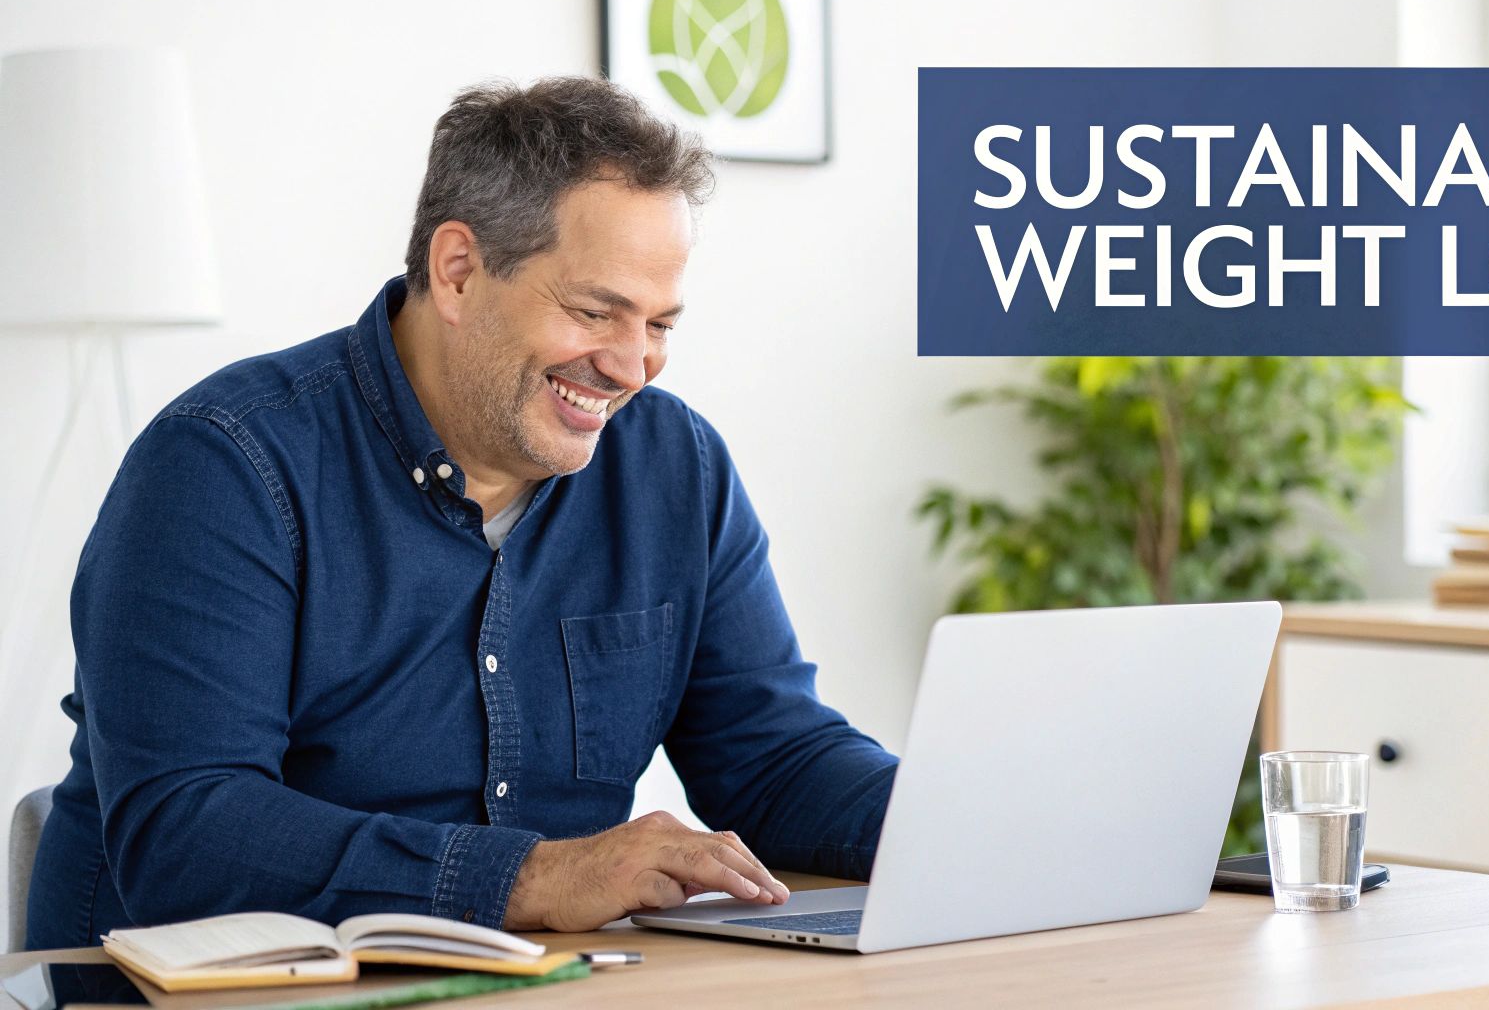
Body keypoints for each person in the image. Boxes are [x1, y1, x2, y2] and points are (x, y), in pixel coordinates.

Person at [26, 76, 897, 949]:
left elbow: (775, 762)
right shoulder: (225, 464)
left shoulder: (677, 468)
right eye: (598, 312)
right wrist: (535, 875)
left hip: (537, 984)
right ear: (458, 271)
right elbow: (189, 836)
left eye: (660, 324)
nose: (633, 366)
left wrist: (973, 813)